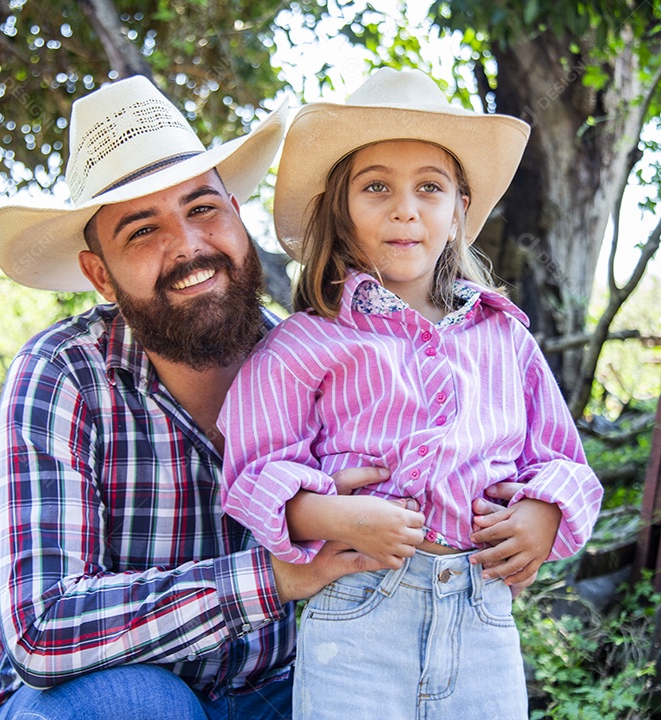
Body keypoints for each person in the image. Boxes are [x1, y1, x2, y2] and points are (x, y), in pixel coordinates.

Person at [0, 74, 516, 720]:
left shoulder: (318, 361)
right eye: (142, 231)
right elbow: (42, 630)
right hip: (106, 703)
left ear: (236, 211)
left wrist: (503, 525)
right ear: (100, 274)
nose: (188, 247)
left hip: (275, 694)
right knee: (140, 704)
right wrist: (275, 578)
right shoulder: (61, 377)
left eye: (202, 209)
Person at [218, 68, 605, 719]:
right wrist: (323, 514)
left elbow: (562, 459)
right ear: (340, 212)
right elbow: (250, 472)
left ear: (458, 211)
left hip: (482, 613)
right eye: (377, 188)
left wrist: (546, 515)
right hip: (359, 612)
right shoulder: (306, 344)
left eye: (430, 187)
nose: (406, 207)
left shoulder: (504, 340)